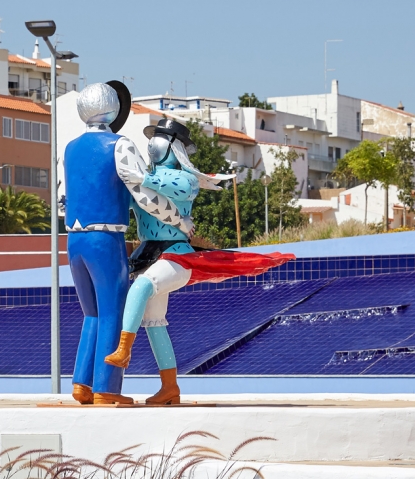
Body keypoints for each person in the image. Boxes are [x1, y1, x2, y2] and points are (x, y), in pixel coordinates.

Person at [103, 118, 294, 405]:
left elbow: (162, 184)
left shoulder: (185, 179)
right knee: (154, 322)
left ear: (172, 146)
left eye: (160, 137)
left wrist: (137, 176)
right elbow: (129, 198)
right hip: (148, 254)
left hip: (177, 254)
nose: (153, 142)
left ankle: (124, 350)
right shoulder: (142, 183)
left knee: (141, 288)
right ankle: (170, 388)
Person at [64, 82, 189, 405]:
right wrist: (178, 219)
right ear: (115, 109)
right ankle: (107, 388)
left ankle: (81, 383)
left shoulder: (70, 148)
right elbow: (142, 194)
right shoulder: (119, 145)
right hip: (105, 238)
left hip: (74, 239)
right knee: (112, 313)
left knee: (90, 313)